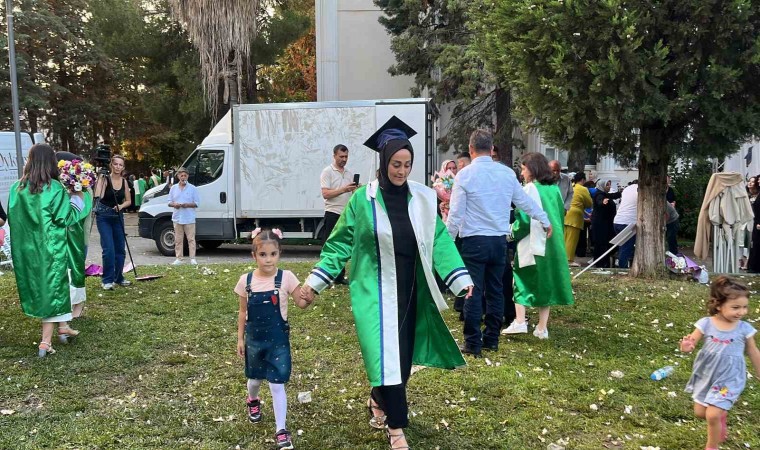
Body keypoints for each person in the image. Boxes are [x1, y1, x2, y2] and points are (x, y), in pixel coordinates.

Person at [301, 116, 473, 450]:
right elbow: (338, 246)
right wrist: (314, 284)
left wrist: (459, 277)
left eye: (407, 164)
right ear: (383, 162)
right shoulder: (362, 201)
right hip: (375, 293)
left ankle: (378, 399)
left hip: (410, 291)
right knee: (386, 356)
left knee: (402, 360)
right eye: (396, 164)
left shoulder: (422, 198)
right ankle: (396, 427)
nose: (402, 171)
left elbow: (439, 239)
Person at [448, 129, 551, 355]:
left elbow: (455, 214)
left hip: (474, 240)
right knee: (495, 290)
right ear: (491, 148)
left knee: (473, 291)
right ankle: (492, 339)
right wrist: (544, 220)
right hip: (498, 240)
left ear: (471, 149)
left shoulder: (464, 175)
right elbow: (524, 202)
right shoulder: (506, 173)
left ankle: (472, 342)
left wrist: (447, 240)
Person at [8, 144, 92, 357]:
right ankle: (45, 342)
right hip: (51, 249)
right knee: (53, 290)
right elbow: (65, 218)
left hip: (27, 250)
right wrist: (78, 198)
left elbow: (14, 219)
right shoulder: (54, 188)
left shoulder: (16, 188)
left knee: (47, 289)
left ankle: (63, 327)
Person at [235, 228, 311, 450]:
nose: (268, 260)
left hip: (278, 342)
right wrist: (240, 338)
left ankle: (281, 430)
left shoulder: (287, 278)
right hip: (255, 341)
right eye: (263, 255)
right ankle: (252, 400)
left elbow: (301, 303)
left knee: (277, 385)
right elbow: (242, 312)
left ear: (279, 254)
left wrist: (309, 297)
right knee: (255, 380)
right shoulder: (246, 281)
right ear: (254, 256)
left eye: (273, 254)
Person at [680, 276, 760, 450]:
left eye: (745, 307)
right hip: (707, 374)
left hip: (730, 377)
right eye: (736, 307)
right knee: (700, 412)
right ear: (718, 305)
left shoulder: (744, 328)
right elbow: (690, 343)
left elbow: (753, 351)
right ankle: (720, 417)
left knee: (712, 415)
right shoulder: (706, 324)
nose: (742, 312)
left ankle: (711, 446)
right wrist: (686, 346)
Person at [503, 153, 573, 338]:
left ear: (532, 169)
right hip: (553, 242)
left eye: (523, 169)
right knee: (546, 283)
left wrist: (510, 233)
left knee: (520, 278)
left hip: (532, 241)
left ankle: (520, 321)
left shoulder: (529, 188)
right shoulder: (554, 189)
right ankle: (542, 327)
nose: (522, 173)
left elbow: (525, 219)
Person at [319, 144, 357, 284]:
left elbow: (351, 194)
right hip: (332, 213)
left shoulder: (349, 173)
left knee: (343, 246)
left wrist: (356, 190)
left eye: (346, 156)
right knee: (331, 246)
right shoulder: (327, 172)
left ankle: (340, 277)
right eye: (341, 156)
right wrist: (344, 189)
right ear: (334, 156)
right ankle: (328, 276)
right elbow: (326, 194)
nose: (344, 159)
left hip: (345, 214)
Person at [94, 154, 132, 290]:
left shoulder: (124, 181)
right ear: (111, 165)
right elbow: (98, 195)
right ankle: (107, 280)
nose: (118, 167)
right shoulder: (105, 179)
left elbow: (128, 201)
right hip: (104, 216)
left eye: (120, 165)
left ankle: (119, 277)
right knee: (109, 249)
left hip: (118, 217)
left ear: (123, 167)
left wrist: (121, 206)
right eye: (115, 164)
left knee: (120, 249)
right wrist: (100, 178)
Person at [168, 167, 200, 265]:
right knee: (178, 239)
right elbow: (169, 202)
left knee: (191, 239)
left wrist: (187, 205)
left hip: (189, 217)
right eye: (181, 175)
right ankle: (179, 258)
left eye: (185, 175)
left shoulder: (193, 188)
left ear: (188, 176)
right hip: (177, 217)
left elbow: (197, 203)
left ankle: (192, 258)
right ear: (178, 176)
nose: (183, 177)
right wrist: (175, 204)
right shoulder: (173, 188)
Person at [563, 172, 593, 267]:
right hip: (575, 215)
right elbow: (589, 203)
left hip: (565, 213)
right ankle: (569, 260)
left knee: (564, 238)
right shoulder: (583, 189)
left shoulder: (570, 186)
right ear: (583, 180)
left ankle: (561, 258)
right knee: (572, 239)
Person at [591, 179, 621, 268]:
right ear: (602, 186)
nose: (609, 187)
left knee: (603, 243)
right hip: (601, 224)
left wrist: (621, 193)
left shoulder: (604, 194)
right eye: (607, 185)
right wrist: (603, 202)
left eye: (609, 185)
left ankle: (601, 262)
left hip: (604, 223)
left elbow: (612, 195)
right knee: (602, 243)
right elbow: (599, 201)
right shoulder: (599, 195)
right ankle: (602, 263)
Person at [613, 182, 639, 268]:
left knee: (622, 246)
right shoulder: (640, 190)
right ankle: (622, 268)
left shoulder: (627, 189)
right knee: (626, 248)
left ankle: (620, 263)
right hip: (628, 222)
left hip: (617, 221)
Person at [742, 176, 759, 270]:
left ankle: (748, 262)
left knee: (750, 242)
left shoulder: (758, 196)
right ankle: (741, 260)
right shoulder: (745, 194)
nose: (750, 183)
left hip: (753, 220)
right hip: (743, 220)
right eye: (749, 181)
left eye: (753, 182)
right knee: (741, 241)